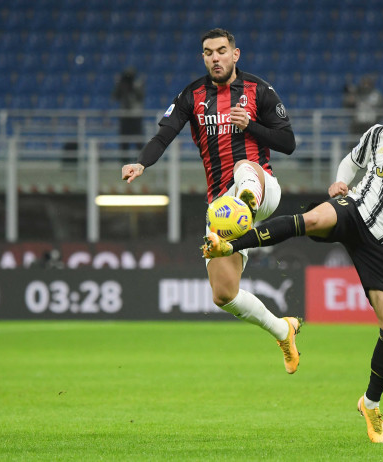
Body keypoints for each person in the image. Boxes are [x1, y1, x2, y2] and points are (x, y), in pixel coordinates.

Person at [203, 76, 383, 443]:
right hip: (354, 210)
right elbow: (350, 160)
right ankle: (229, 245)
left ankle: (370, 404)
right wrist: (340, 182)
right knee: (311, 219)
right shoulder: (378, 135)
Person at [121, 29, 301, 374]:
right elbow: (164, 134)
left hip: (262, 187)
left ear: (236, 54)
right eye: (208, 52)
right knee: (223, 295)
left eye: (221, 51)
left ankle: (244, 201)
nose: (215, 58)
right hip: (221, 207)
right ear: (203, 57)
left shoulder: (258, 90)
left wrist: (251, 126)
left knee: (244, 167)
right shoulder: (193, 95)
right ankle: (283, 329)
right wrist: (141, 161)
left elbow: (288, 142)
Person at [112, 67, 145, 163]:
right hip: (124, 116)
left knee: (138, 141)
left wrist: (134, 87)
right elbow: (115, 96)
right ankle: (124, 162)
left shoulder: (138, 84)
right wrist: (120, 86)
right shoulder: (122, 85)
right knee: (124, 141)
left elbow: (141, 97)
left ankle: (141, 163)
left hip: (136, 115)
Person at [343, 75, 383, 145]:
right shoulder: (357, 94)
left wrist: (377, 119)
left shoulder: (376, 95)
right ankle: (352, 152)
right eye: (364, 84)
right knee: (354, 140)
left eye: (367, 84)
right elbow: (347, 106)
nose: (366, 86)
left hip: (372, 122)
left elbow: (382, 108)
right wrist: (350, 102)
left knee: (371, 141)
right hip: (358, 122)